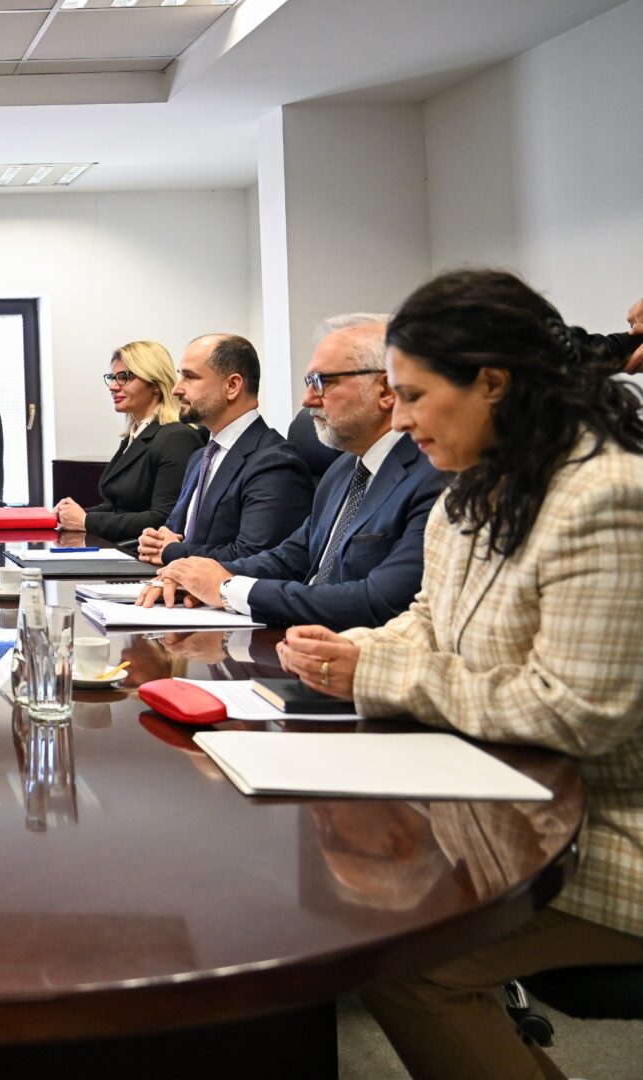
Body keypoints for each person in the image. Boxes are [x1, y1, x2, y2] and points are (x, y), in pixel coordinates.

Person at [276, 269, 643, 1080]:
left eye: (412, 395)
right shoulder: (466, 493)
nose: (400, 418)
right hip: (505, 801)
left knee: (407, 962)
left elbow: (574, 711)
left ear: (492, 384)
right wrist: (352, 650)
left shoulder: (606, 495)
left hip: (607, 832)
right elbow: (426, 619)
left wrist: (380, 674)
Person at [140, 315, 446, 630]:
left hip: (352, 646)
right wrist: (194, 576)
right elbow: (290, 557)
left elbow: (378, 601)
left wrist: (227, 589)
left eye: (322, 382)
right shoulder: (342, 470)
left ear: (385, 390)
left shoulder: (435, 478)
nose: (307, 399)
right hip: (297, 637)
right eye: (308, 382)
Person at [137, 334, 311, 566]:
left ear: (232, 386)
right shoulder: (201, 457)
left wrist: (173, 551)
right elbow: (174, 532)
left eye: (190, 377)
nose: (176, 389)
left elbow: (254, 557)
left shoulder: (275, 462)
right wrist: (155, 541)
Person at [54, 340, 202, 539]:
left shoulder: (177, 438)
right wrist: (69, 515)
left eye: (124, 377)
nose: (113, 387)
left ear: (155, 384)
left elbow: (164, 519)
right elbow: (117, 506)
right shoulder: (136, 434)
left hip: (142, 553)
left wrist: (85, 521)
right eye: (112, 378)